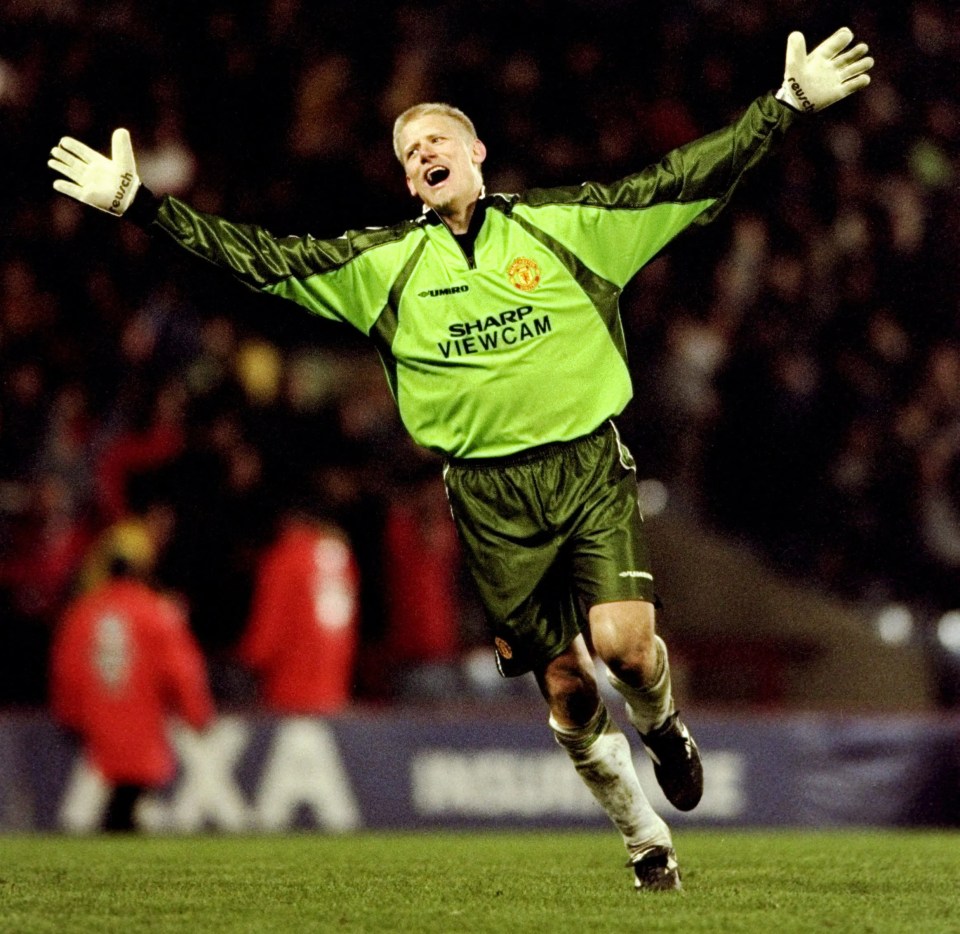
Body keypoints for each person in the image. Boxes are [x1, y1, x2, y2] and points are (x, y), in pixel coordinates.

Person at [48, 28, 873, 886]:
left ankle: (664, 727)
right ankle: (645, 840)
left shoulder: (570, 227)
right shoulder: (384, 267)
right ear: (408, 181)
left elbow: (687, 176)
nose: (422, 153)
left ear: (477, 151)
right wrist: (144, 204)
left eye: (436, 138)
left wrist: (784, 108)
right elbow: (260, 260)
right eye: (409, 152)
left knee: (625, 649)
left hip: (586, 465)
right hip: (487, 497)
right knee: (569, 687)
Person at [49, 553, 214, 831]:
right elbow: (182, 669)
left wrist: (70, 715)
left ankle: (119, 823)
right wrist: (196, 712)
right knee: (135, 780)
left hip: (100, 713)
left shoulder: (83, 612)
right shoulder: (155, 611)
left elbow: (66, 669)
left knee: (122, 784)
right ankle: (120, 824)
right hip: (142, 714)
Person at [236, 500, 361, 714]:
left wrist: (245, 662)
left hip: (290, 690)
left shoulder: (286, 558)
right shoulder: (341, 556)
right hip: (335, 687)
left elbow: (266, 635)